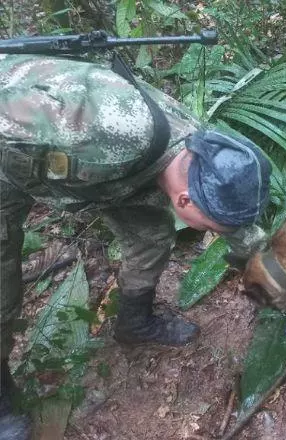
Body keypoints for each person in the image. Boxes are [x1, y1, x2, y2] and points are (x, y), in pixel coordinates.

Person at [0, 53, 271, 438]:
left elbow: (235, 224)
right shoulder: (98, 130)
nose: (214, 233)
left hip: (107, 177)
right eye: (210, 228)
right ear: (185, 202)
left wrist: (274, 269)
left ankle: (134, 323)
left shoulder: (202, 153)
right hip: (10, 157)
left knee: (151, 238)